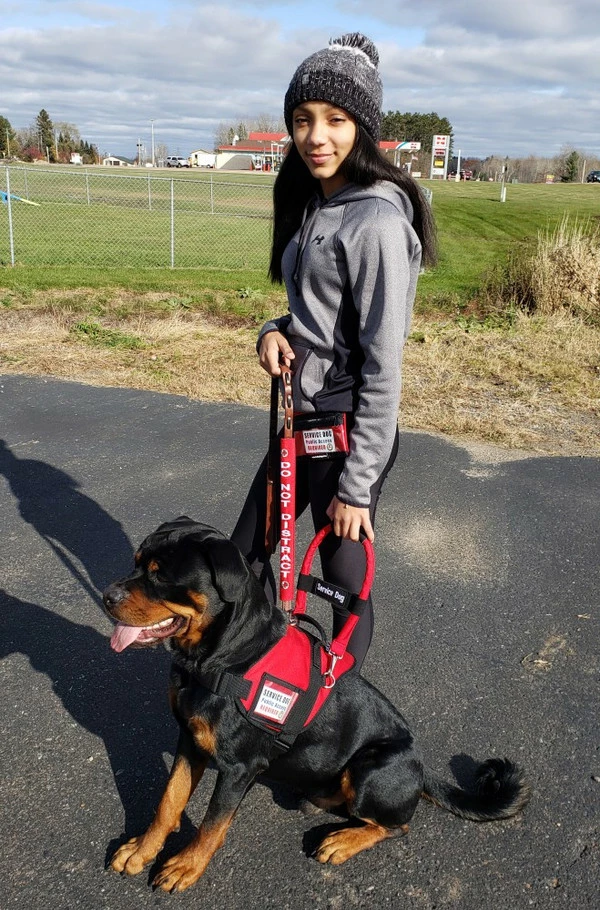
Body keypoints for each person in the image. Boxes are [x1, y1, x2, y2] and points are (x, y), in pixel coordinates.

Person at [231, 32, 436, 669]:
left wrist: (357, 486)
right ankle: (256, 668)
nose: (315, 136)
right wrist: (273, 330)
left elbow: (383, 363)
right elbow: (318, 318)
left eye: (335, 120)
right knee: (248, 551)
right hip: (303, 417)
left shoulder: (376, 221)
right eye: (302, 120)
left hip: (346, 432)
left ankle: (332, 705)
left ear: (364, 128)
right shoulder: (320, 203)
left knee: (345, 585)